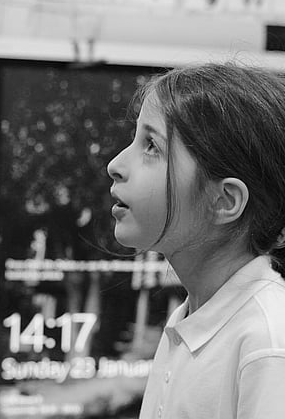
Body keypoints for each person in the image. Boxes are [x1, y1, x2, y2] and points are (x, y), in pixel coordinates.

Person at [107, 62, 285, 418]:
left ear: (224, 201)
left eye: (151, 146)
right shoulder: (187, 317)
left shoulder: (267, 341)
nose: (115, 165)